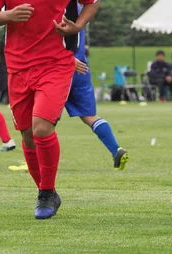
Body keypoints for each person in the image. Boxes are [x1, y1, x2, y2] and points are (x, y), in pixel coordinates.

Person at [0, 0, 100, 220]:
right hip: (18, 66)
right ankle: (48, 193)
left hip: (56, 63)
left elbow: (92, 3)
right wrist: (9, 15)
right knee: (27, 135)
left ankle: (46, 193)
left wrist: (78, 26)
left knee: (41, 127)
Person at [9, 24, 129, 173]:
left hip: (60, 67)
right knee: (89, 116)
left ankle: (34, 161)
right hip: (81, 68)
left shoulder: (59, 7)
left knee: (42, 121)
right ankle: (115, 149)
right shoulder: (80, 10)